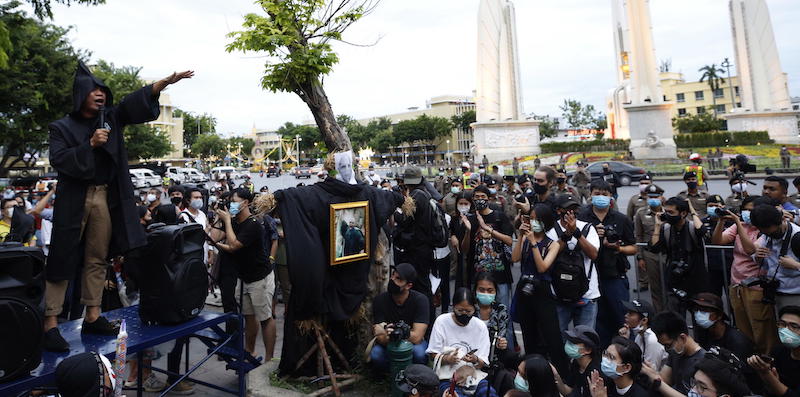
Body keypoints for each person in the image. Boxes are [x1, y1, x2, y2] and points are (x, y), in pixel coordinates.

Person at [43, 62, 193, 351]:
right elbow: (59, 160)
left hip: (104, 196)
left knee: (98, 257)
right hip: (74, 197)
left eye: (102, 90)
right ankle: (50, 324)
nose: (100, 94)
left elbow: (130, 105)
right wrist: (90, 145)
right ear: (81, 94)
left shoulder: (110, 118)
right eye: (93, 90)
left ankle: (93, 315)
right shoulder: (61, 127)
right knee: (61, 259)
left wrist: (162, 83)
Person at [212, 188, 276, 359]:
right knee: (248, 316)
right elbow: (213, 237)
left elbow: (233, 246)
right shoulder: (234, 221)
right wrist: (220, 218)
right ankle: (250, 351)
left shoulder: (253, 223)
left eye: (234, 201)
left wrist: (226, 221)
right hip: (244, 276)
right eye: (230, 201)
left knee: (265, 318)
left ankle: (269, 359)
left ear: (245, 203)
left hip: (260, 277)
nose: (231, 204)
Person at [713, 196, 779, 354]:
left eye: (752, 210)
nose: (747, 214)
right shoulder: (740, 225)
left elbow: (750, 250)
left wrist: (738, 224)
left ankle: (766, 364)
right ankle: (750, 363)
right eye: (746, 210)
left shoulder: (765, 229)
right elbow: (717, 240)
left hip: (756, 288)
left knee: (762, 331)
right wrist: (721, 221)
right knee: (744, 331)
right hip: (737, 285)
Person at [511, 203, 569, 375]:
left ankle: (562, 374)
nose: (534, 222)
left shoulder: (552, 244)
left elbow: (543, 267)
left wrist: (534, 244)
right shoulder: (525, 239)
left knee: (551, 335)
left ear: (545, 222)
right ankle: (532, 371)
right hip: (524, 289)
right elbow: (514, 259)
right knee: (528, 334)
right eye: (532, 219)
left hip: (542, 290)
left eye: (537, 219)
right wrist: (521, 237)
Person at [579, 179, 637, 345]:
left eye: (605, 194)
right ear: (590, 195)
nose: (601, 197)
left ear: (611, 196)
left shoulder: (621, 219)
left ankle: (627, 354)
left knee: (621, 319)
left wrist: (618, 248)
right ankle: (601, 356)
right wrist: (590, 236)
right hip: (589, 279)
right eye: (597, 194)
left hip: (614, 276)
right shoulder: (582, 217)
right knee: (596, 322)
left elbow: (633, 247)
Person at [460, 184, 515, 345]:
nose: (479, 200)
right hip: (477, 277)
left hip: (500, 276)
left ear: (489, 199)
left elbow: (509, 241)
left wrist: (487, 229)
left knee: (504, 317)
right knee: (476, 316)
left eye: (483, 197)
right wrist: (469, 231)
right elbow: (464, 250)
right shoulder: (469, 219)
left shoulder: (499, 217)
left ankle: (508, 352)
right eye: (476, 197)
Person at [546, 194, 600, 330]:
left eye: (575, 209)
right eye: (568, 209)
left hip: (586, 295)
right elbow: (549, 255)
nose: (571, 212)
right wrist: (565, 236)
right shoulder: (551, 231)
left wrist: (577, 233)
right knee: (559, 337)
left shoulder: (588, 228)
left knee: (585, 339)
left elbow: (593, 254)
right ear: (559, 211)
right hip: (559, 293)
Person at [649, 196, 708, 316]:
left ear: (683, 213)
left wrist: (692, 210)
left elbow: (701, 231)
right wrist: (657, 226)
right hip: (674, 281)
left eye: (671, 212)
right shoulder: (666, 229)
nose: (667, 215)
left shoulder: (692, 227)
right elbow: (654, 248)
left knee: (699, 319)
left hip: (696, 280)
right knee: (675, 319)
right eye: (666, 212)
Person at [371, 263, 430, 371]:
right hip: (389, 344)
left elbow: (417, 338)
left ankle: (414, 375)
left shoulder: (421, 300)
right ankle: (391, 376)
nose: (392, 280)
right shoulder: (380, 300)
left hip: (412, 345)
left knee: (419, 353)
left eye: (398, 279)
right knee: (376, 354)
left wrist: (391, 332)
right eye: (392, 275)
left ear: (408, 285)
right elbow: (380, 336)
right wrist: (400, 333)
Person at [395, 166, 437, 316]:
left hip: (418, 249)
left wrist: (395, 211)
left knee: (421, 286)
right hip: (423, 248)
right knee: (422, 285)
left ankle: (427, 320)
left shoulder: (417, 196)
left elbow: (405, 220)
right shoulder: (425, 193)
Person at [427, 288, 491, 379]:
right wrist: (447, 359)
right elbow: (433, 354)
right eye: (459, 311)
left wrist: (474, 359)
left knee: (486, 392)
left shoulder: (480, 326)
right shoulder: (441, 321)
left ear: (474, 309)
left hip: (472, 375)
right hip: (447, 375)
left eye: (468, 311)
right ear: (453, 307)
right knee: (451, 392)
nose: (464, 314)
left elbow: (483, 362)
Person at [751, 204, 800, 313]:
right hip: (774, 293)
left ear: (782, 219)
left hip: (795, 296)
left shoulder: (797, 237)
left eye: (772, 232)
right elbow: (762, 261)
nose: (769, 235)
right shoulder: (766, 234)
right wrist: (758, 257)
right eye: (764, 232)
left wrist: (796, 265)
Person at [647, 311, 707, 395]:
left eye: (668, 345)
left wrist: (656, 380)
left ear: (682, 338)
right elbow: (665, 380)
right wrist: (651, 373)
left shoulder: (703, 362)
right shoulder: (677, 353)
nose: (666, 349)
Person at [747, 305, 800, 397]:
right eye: (782, 324)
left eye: (794, 326)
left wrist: (767, 375)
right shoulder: (779, 351)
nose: (786, 330)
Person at [692, 292, 755, 364]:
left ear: (719, 315)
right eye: (696, 310)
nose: (698, 314)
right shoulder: (702, 332)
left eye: (704, 311)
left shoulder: (737, 342)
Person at [634, 184, 666, 311]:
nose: (653, 198)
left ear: (661, 197)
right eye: (651, 196)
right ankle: (659, 314)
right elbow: (638, 236)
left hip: (666, 252)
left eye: (656, 196)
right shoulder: (640, 213)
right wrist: (640, 257)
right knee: (655, 287)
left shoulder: (668, 212)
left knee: (669, 285)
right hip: (650, 254)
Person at [473, 272, 511, 376]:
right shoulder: (469, 308)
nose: (485, 293)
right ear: (475, 290)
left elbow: (501, 336)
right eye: (481, 290)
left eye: (490, 290)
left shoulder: (501, 309)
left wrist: (502, 343)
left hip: (494, 355)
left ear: (495, 291)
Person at [552, 325, 602, 397]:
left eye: (573, 343)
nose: (568, 344)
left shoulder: (596, 373)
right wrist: (556, 376)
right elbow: (567, 390)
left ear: (588, 350)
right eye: (569, 340)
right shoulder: (576, 363)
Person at [619, 299, 667, 371]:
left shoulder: (652, 339)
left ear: (644, 320)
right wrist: (625, 340)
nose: (626, 316)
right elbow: (634, 360)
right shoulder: (639, 336)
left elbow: (651, 371)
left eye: (631, 313)